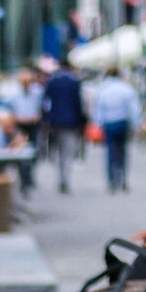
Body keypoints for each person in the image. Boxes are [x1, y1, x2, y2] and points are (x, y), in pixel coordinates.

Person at [90, 69, 141, 193]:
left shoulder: (103, 89)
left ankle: (111, 181)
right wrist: (136, 124)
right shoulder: (126, 89)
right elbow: (133, 109)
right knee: (123, 151)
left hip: (109, 123)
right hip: (122, 123)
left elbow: (98, 109)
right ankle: (123, 178)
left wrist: (97, 124)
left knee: (110, 152)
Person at [42, 59, 85, 192]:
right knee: (67, 151)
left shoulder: (52, 81)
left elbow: (45, 102)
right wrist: (81, 121)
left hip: (55, 121)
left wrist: (46, 118)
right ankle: (65, 178)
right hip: (70, 122)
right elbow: (78, 102)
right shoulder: (74, 82)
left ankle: (60, 177)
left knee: (58, 151)